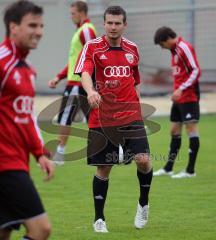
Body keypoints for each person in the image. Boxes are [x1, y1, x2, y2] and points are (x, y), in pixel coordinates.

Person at [75, 6, 153, 233]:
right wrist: (90, 91)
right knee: (104, 167)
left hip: (130, 114)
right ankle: (99, 219)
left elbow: (135, 80)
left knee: (143, 160)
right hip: (102, 116)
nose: (113, 27)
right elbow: (86, 72)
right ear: (104, 23)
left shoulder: (133, 49)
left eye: (117, 23)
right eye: (109, 22)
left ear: (124, 25)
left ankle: (143, 203)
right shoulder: (93, 46)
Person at [0, 1, 55, 239]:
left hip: (18, 161)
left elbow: (28, 115)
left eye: (41, 25)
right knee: (41, 229)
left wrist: (39, 152)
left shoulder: (27, 69)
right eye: (32, 25)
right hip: (5, 164)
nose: (39, 31)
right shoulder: (2, 62)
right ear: (13, 27)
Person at [48, 1, 97, 165]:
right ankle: (114, 147)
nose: (71, 16)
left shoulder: (86, 30)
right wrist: (59, 76)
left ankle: (59, 154)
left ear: (82, 12)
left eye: (73, 13)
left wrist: (93, 82)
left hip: (78, 83)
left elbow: (94, 54)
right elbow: (76, 61)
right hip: (75, 81)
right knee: (94, 119)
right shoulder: (80, 31)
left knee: (65, 118)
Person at [153, 26, 201, 179]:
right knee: (174, 130)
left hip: (189, 96)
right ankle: (168, 168)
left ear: (167, 39)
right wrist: (177, 91)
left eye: (161, 44)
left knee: (191, 130)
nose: (162, 48)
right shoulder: (174, 51)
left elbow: (196, 70)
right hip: (179, 97)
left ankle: (190, 171)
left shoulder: (184, 47)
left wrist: (181, 88)